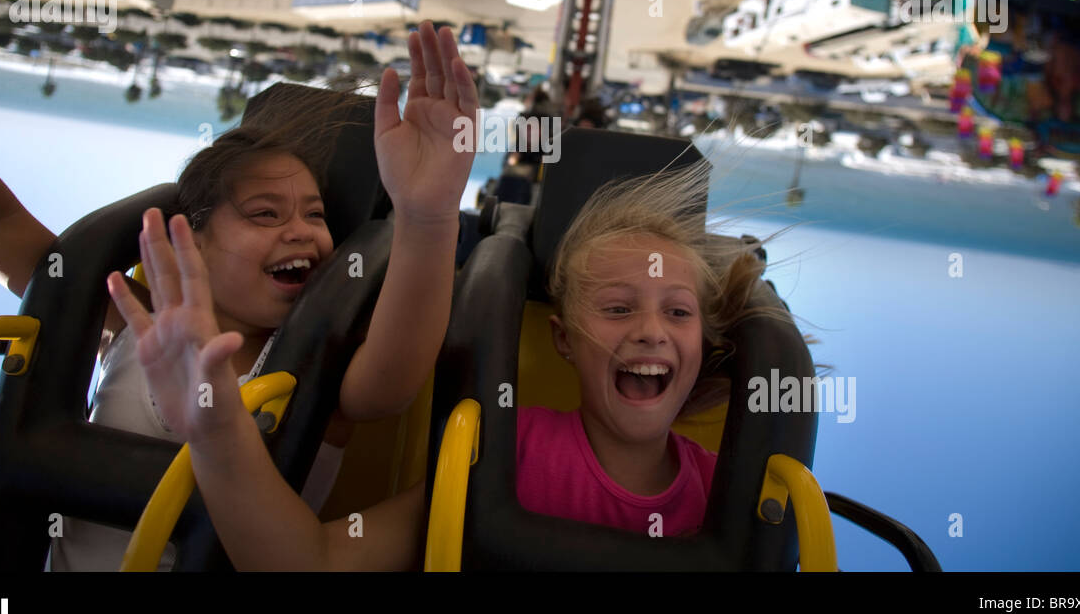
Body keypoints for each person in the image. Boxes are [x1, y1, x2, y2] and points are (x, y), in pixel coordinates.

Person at [0, 17, 479, 569]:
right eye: (265, 214)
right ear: (194, 248)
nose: (303, 231)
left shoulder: (316, 359)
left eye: (316, 216)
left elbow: (394, 374)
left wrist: (427, 216)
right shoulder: (133, 329)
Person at [113, 158, 802, 568]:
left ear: (705, 342)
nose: (652, 331)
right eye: (618, 309)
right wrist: (214, 430)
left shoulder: (737, 490)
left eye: (677, 312)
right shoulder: (502, 451)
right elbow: (311, 560)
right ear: (563, 340)